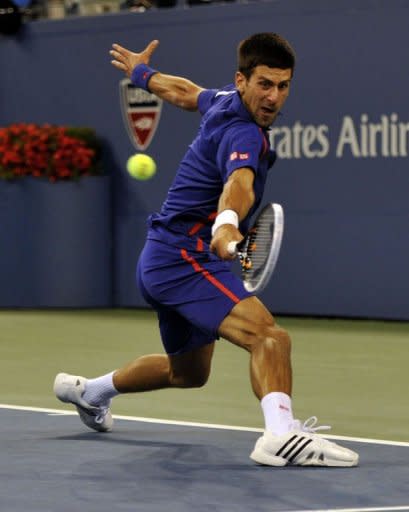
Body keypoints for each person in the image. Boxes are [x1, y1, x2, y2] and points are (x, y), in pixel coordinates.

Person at [54, 33, 358, 467]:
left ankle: (90, 393)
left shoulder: (221, 101)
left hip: (160, 258)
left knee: (189, 373)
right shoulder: (246, 133)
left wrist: (142, 73)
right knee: (270, 338)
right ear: (242, 80)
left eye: (283, 85)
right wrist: (227, 223)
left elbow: (183, 92)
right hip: (182, 258)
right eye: (264, 84)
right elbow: (239, 184)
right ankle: (280, 434)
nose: (274, 97)